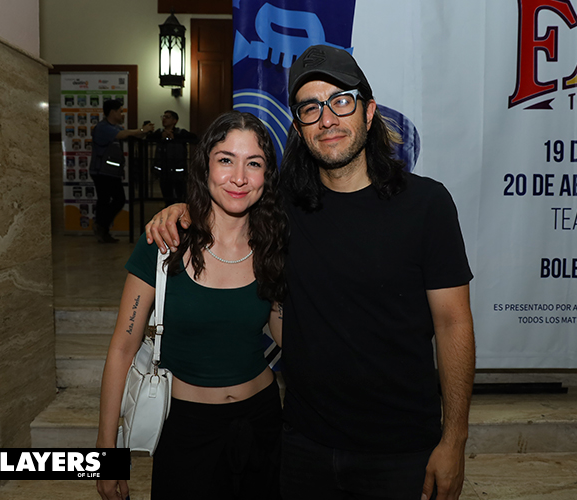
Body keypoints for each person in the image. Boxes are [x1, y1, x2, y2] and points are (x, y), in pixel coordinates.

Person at [145, 45, 475, 500]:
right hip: (303, 446)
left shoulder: (426, 205)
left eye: (341, 101)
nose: (327, 119)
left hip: (400, 450)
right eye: (310, 108)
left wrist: (454, 439)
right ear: (299, 128)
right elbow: (229, 200)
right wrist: (182, 210)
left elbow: (454, 323)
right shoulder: (282, 208)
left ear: (369, 112)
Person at [96, 110, 287, 500]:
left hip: (263, 421)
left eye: (254, 163)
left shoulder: (274, 245)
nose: (239, 177)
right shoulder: (164, 241)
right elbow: (122, 348)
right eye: (226, 160)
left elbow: (287, 337)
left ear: (267, 175)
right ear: (205, 167)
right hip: (186, 428)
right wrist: (106, 450)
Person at [90, 99, 155, 243]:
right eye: (120, 111)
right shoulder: (103, 127)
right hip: (101, 172)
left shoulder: (116, 127)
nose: (122, 114)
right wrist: (142, 130)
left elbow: (130, 135)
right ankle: (101, 226)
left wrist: (144, 131)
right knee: (109, 200)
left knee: (111, 200)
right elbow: (122, 135)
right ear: (112, 112)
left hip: (111, 172)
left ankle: (102, 228)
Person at [149, 110, 198, 206]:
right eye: (163, 117)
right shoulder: (159, 132)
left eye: (167, 117)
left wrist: (175, 137)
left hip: (178, 172)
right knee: (167, 199)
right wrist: (161, 136)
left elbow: (194, 137)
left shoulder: (181, 132)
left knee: (181, 198)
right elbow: (149, 138)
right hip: (163, 172)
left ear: (175, 121)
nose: (164, 119)